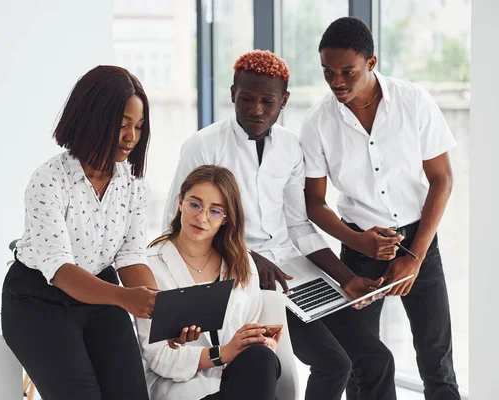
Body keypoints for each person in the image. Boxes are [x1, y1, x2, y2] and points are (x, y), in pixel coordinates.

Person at [163, 50, 396, 400]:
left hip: (294, 270)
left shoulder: (289, 146)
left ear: (283, 101)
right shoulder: (203, 146)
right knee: (334, 364)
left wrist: (346, 279)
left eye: (267, 101)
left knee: (377, 358)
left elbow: (298, 225)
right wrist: (248, 257)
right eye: (246, 98)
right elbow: (178, 224)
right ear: (232, 94)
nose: (256, 109)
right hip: (243, 279)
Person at [301, 17, 460, 399]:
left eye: (347, 71)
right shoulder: (318, 122)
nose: (336, 81)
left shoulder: (413, 101)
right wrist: (359, 241)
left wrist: (416, 257)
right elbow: (314, 202)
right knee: (362, 363)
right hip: (358, 248)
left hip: (419, 240)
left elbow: (442, 179)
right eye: (327, 72)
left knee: (437, 362)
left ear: (372, 63)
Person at [1, 65, 159, 400]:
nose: (131, 136)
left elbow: (131, 258)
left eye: (139, 127)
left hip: (102, 296)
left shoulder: (133, 188)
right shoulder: (48, 181)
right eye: (122, 125)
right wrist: (125, 299)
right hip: (40, 300)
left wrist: (163, 312)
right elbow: (60, 271)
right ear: (93, 119)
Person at [137, 165, 282, 400]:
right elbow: (157, 357)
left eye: (215, 211)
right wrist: (222, 353)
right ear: (180, 201)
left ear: (226, 218)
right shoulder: (149, 265)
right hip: (183, 388)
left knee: (263, 358)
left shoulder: (241, 261)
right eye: (194, 204)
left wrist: (260, 343)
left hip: (236, 382)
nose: (202, 217)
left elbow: (249, 323)